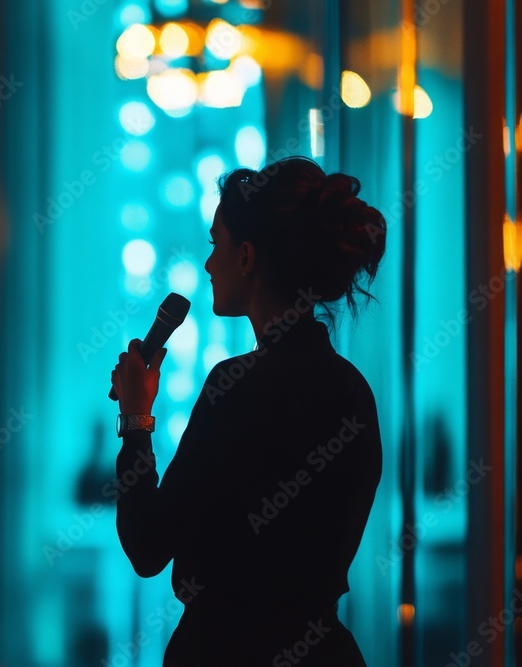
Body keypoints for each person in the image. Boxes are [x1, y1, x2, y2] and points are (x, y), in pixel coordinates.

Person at [110, 156, 387, 666]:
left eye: (216, 245)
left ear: (246, 257)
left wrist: (136, 419)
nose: (209, 264)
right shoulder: (353, 393)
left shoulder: (235, 386)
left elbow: (148, 545)